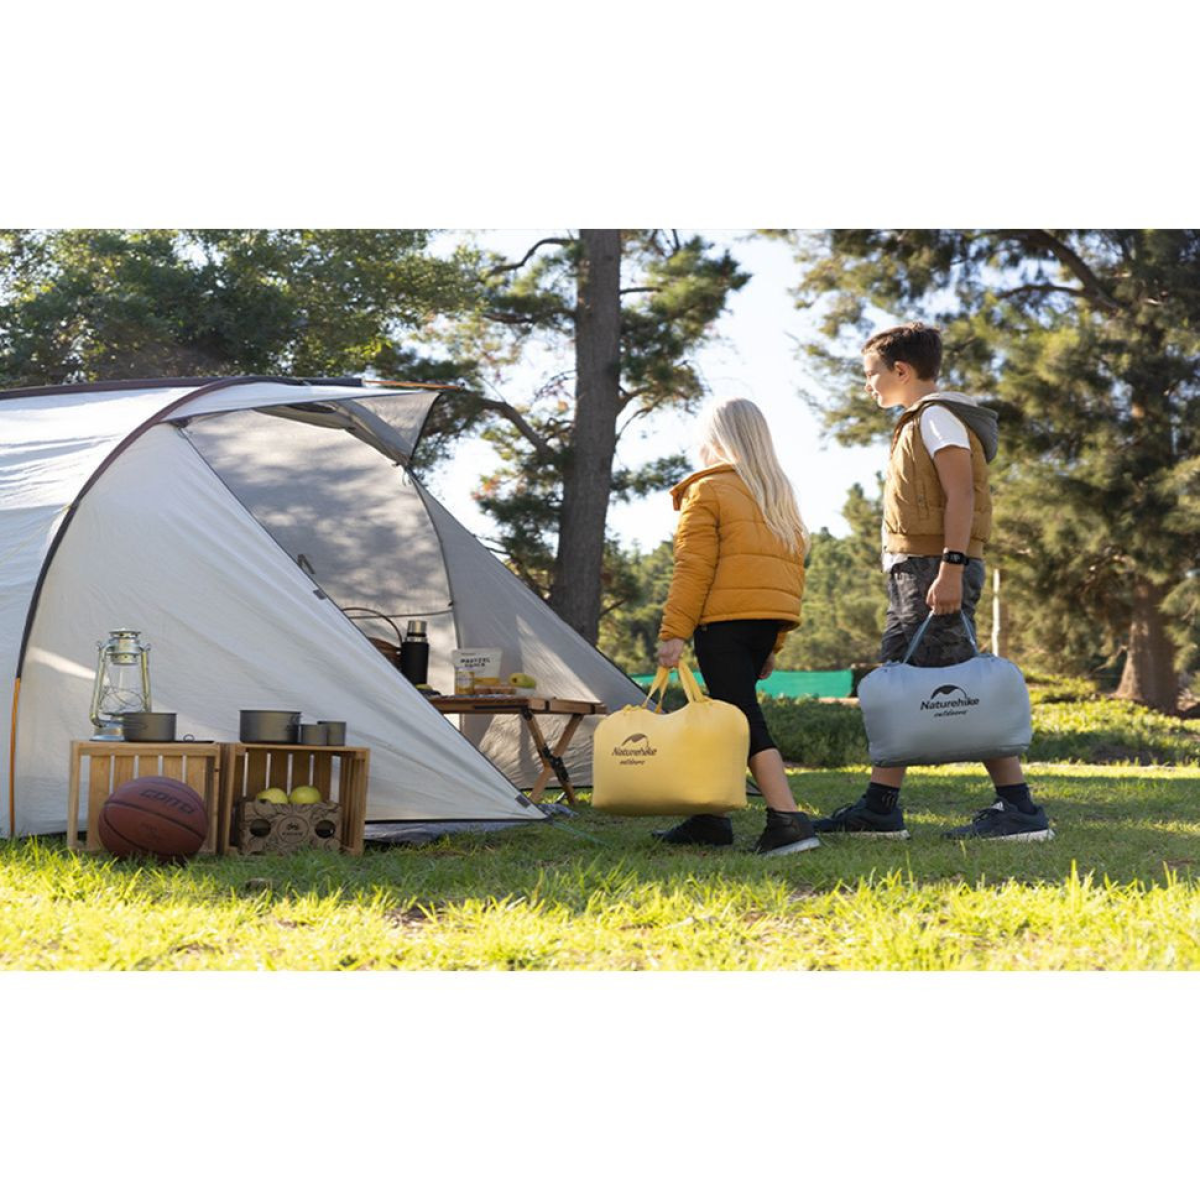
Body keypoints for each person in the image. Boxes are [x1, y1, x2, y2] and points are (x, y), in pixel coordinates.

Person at [812, 321, 1053, 842]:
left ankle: (1020, 809)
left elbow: (961, 494)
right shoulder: (919, 420)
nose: (867, 385)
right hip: (915, 567)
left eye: (871, 374)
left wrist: (951, 568)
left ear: (901, 370)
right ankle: (880, 808)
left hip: (933, 567)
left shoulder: (937, 416)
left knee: (960, 678)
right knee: (902, 678)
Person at [654, 398, 820, 857]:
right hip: (763, 625)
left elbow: (692, 568)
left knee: (742, 718)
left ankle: (788, 820)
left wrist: (674, 632)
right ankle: (711, 819)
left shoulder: (707, 490)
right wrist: (774, 644)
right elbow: (788, 578)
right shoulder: (776, 494)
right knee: (726, 717)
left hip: (723, 623)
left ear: (714, 439)